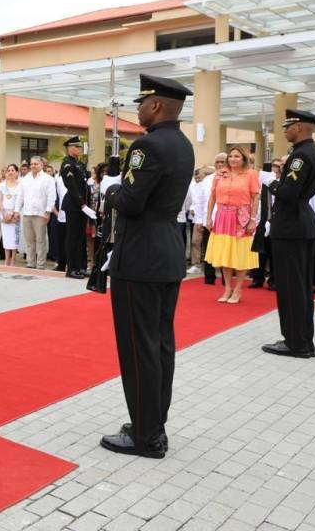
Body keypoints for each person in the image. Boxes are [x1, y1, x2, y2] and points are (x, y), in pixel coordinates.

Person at [99, 74, 194, 460]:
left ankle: (145, 437)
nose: (136, 110)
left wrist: (110, 189)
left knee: (139, 349)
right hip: (166, 253)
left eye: (141, 103)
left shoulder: (148, 145)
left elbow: (132, 201)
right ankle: (152, 422)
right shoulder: (183, 144)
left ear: (156, 105)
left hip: (140, 258)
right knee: (160, 346)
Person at [261, 109, 315, 358]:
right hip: (301, 226)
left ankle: (296, 343)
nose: (285, 130)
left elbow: (289, 193)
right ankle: (302, 341)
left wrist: (269, 180)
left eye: (288, 126)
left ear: (299, 127)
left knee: (291, 289)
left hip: (291, 228)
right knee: (300, 288)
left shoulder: (300, 156)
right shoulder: (314, 152)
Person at [203, 146, 260, 303]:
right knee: (225, 254)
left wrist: (253, 219)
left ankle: (238, 289)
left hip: (241, 217)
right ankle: (227, 288)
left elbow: (255, 198)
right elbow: (212, 197)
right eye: (231, 156)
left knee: (240, 254)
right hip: (222, 216)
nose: (233, 159)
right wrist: (209, 217)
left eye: (237, 156)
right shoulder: (220, 175)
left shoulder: (251, 175)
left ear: (243, 159)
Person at [17, 155, 55, 269]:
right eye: (32, 164)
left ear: (42, 165)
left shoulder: (48, 179)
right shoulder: (25, 179)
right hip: (27, 213)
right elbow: (20, 196)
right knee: (29, 240)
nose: (33, 166)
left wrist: (48, 211)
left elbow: (51, 196)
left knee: (40, 240)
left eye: (36, 164)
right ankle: (30, 262)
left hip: (41, 214)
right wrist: (16, 210)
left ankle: (40, 264)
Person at [60, 136, 90, 279]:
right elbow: (71, 186)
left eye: (79, 147)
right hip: (74, 205)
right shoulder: (67, 164)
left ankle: (81, 266)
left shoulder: (80, 164)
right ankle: (71, 268)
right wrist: (82, 203)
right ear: (69, 148)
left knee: (80, 238)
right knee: (72, 237)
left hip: (82, 205)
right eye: (76, 147)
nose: (79, 149)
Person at [249, 159, 282, 289]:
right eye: (270, 166)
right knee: (258, 252)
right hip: (260, 220)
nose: (273, 169)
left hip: (275, 220)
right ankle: (257, 278)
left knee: (274, 252)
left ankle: (273, 280)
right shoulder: (258, 183)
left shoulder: (280, 184)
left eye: (276, 166)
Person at [197, 154, 226, 284]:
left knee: (225, 250)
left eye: (222, 162)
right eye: (217, 162)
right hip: (209, 221)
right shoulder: (207, 180)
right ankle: (209, 277)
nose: (219, 164)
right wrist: (199, 221)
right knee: (208, 249)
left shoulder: (234, 178)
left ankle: (227, 279)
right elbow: (201, 201)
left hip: (226, 221)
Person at [0, 164, 21, 267]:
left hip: (15, 214)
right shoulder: (2, 185)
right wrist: (4, 214)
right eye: (9, 170)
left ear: (16, 172)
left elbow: (20, 201)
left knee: (14, 238)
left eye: (12, 170)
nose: (10, 172)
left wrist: (12, 214)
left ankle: (13, 260)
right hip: (4, 214)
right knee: (6, 238)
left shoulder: (20, 185)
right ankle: (7, 259)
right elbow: (0, 201)